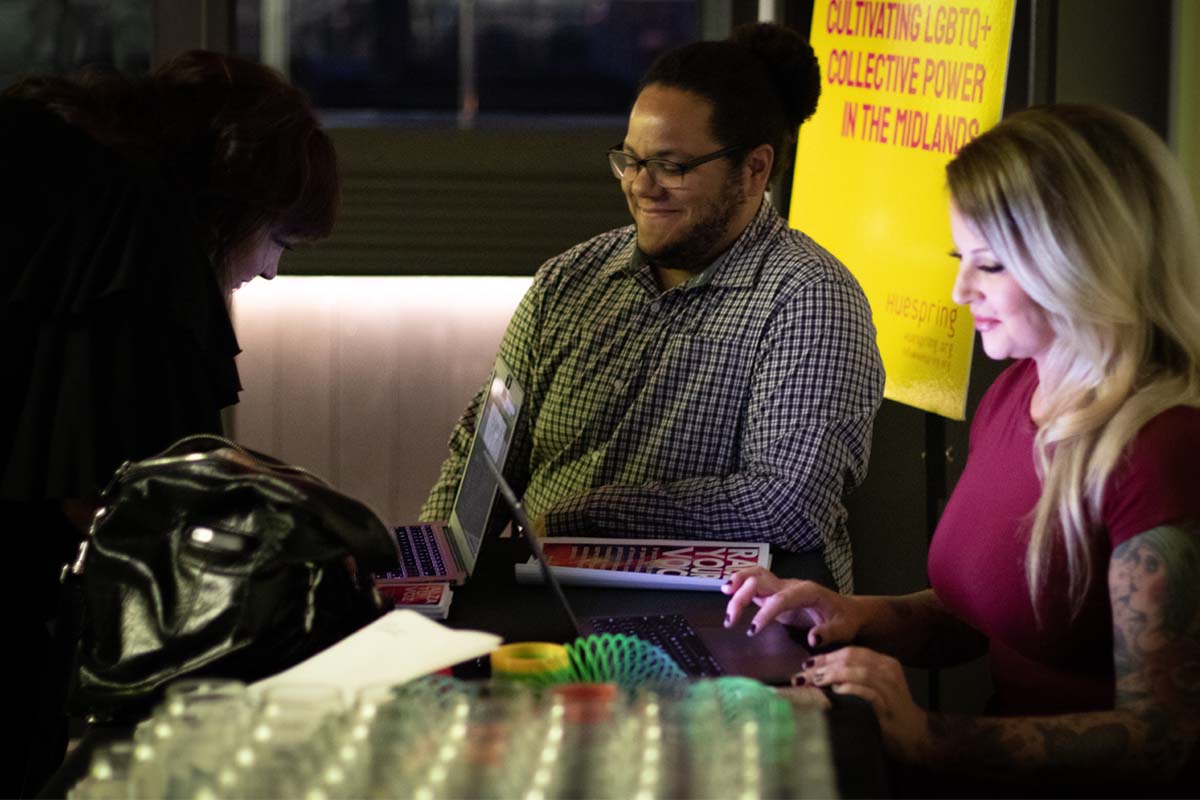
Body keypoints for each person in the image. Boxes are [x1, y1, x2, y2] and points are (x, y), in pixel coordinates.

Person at [724, 104, 1200, 794]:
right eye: (960, 259)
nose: (960, 290)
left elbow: (1165, 738)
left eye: (990, 264)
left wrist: (928, 735)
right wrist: (857, 615)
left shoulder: (1162, 452)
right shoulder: (1019, 390)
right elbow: (989, 618)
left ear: (1085, 262)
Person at [421, 23, 884, 593]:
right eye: (631, 161)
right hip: (541, 593)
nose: (642, 186)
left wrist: (581, 517)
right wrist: (430, 575)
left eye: (672, 166)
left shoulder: (806, 296)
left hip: (720, 620)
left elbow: (789, 504)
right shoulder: (571, 279)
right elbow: (484, 451)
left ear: (754, 170)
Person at [0, 51, 340, 796]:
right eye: (279, 239)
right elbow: (122, 507)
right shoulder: (143, 249)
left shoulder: (70, 182)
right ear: (241, 199)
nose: (272, 270)